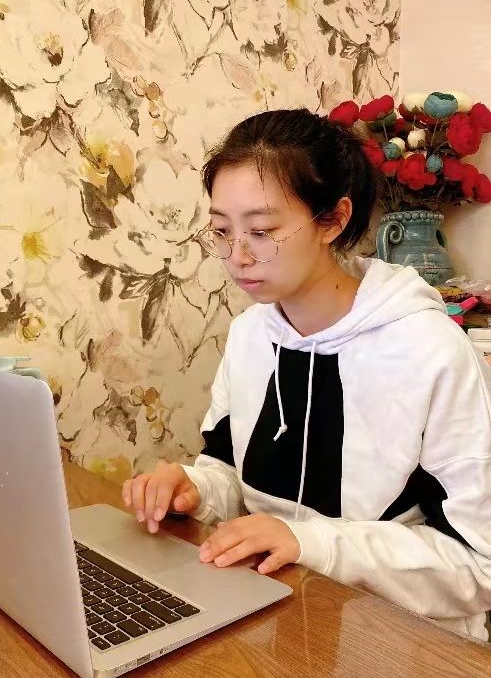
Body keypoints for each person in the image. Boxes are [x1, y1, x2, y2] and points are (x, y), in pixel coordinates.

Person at [121, 109, 491, 641]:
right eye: (222, 232)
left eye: (262, 231)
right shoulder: (251, 334)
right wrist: (194, 489)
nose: (237, 256)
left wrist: (310, 543)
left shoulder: (429, 351)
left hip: (396, 637)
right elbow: (231, 474)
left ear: (333, 220)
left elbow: (476, 566)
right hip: (271, 611)